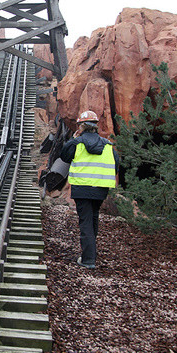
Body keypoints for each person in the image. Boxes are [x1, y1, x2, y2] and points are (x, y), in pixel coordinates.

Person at [59, 110, 119, 269]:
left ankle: (88, 260)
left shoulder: (77, 143)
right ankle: (90, 253)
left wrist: (73, 140)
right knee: (92, 219)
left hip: (82, 188)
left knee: (85, 221)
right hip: (100, 189)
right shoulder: (107, 145)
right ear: (96, 126)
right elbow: (116, 166)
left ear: (81, 127)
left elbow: (64, 156)